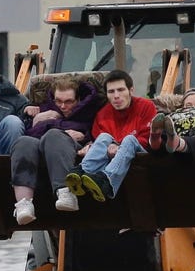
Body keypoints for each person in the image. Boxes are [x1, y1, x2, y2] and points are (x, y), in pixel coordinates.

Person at [10, 76, 104, 225]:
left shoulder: (91, 111)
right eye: (58, 101)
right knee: (23, 142)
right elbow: (29, 131)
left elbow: (98, 132)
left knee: (54, 135)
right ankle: (23, 203)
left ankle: (65, 192)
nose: (63, 106)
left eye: (68, 102)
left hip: (74, 149)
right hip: (40, 148)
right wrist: (35, 119)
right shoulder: (47, 109)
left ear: (78, 99)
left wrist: (84, 136)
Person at [65, 69, 157, 203]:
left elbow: (147, 140)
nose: (116, 96)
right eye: (111, 92)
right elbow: (99, 141)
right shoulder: (102, 114)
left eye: (121, 90)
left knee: (130, 140)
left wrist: (118, 147)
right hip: (111, 156)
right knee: (103, 137)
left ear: (131, 91)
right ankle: (81, 172)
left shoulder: (146, 106)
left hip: (140, 154)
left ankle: (107, 181)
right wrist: (91, 147)